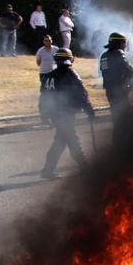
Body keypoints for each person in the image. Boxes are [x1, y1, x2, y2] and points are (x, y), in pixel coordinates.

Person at [38, 50, 94, 180]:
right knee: (73, 140)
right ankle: (84, 167)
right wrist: (89, 111)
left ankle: (48, 170)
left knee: (60, 142)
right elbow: (82, 95)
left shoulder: (48, 76)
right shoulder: (71, 74)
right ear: (71, 60)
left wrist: (44, 116)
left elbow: (43, 99)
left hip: (54, 114)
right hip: (66, 114)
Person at [99, 32, 133, 127]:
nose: (125, 45)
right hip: (120, 90)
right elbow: (129, 71)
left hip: (109, 90)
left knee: (116, 116)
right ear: (119, 43)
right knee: (124, 117)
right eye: (124, 42)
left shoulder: (104, 56)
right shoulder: (118, 54)